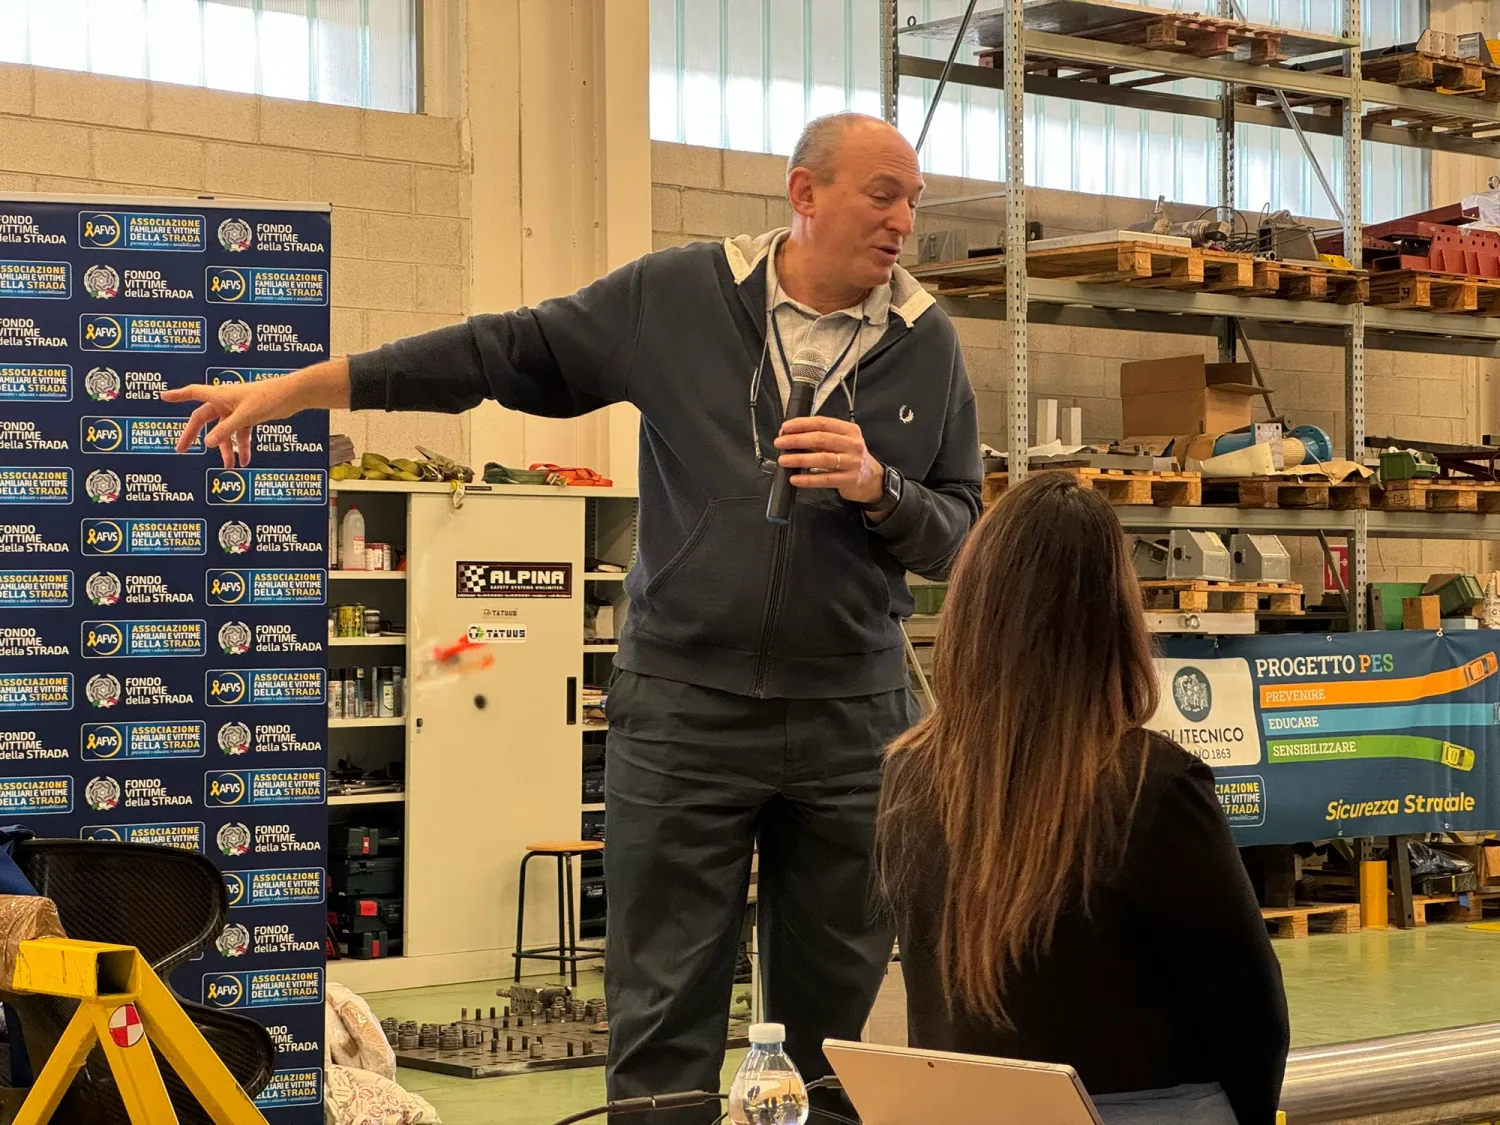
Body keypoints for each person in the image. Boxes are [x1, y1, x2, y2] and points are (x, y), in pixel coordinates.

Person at [166, 112, 981, 1123]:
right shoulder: (677, 298)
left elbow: (959, 535)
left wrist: (879, 488)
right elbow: (495, 351)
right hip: (685, 713)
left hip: (853, 722)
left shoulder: (927, 342)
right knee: (663, 1013)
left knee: (831, 1037)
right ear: (804, 194)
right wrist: (304, 390)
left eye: (914, 202)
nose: (905, 222)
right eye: (884, 195)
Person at [876, 472, 1289, 1125]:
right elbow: (1251, 1018)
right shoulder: (1154, 785)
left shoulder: (910, 774)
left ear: (972, 609)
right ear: (1115, 617)